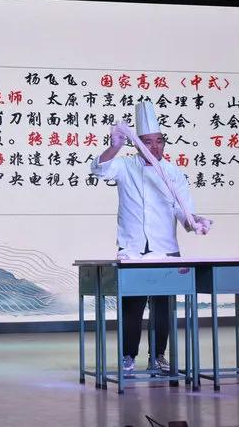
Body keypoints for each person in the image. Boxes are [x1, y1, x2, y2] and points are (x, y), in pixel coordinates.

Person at [90, 101, 197, 375]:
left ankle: (158, 356)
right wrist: (114, 146)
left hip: (166, 249)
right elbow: (99, 169)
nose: (155, 147)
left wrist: (195, 223)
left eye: (159, 141)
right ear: (137, 144)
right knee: (132, 306)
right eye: (147, 142)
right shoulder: (125, 166)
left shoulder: (173, 173)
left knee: (163, 308)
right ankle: (128, 356)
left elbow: (184, 211)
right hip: (133, 248)